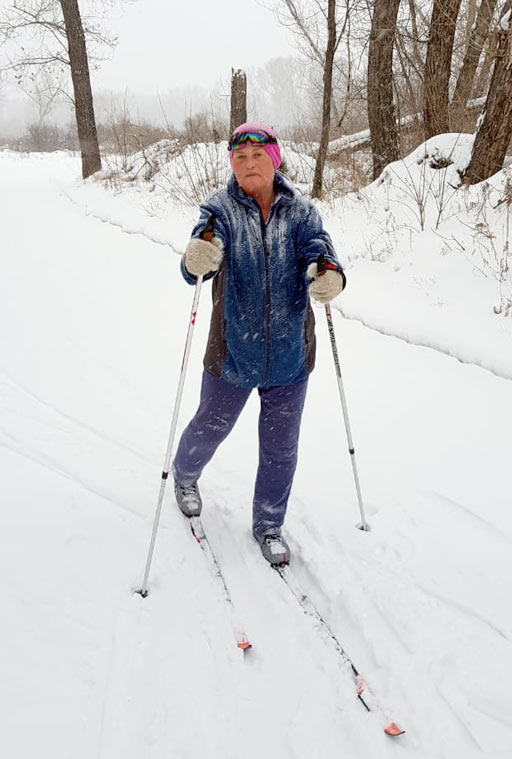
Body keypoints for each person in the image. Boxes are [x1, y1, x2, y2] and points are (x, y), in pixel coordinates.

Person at [173, 122, 345, 566]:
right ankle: (185, 475)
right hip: (233, 352)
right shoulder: (220, 209)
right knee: (211, 426)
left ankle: (269, 525)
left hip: (290, 356)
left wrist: (328, 271)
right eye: (239, 158)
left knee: (281, 447)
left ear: (275, 158)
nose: (249, 165)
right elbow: (203, 246)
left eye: (257, 156)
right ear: (232, 165)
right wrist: (197, 258)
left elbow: (318, 248)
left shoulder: (301, 212)